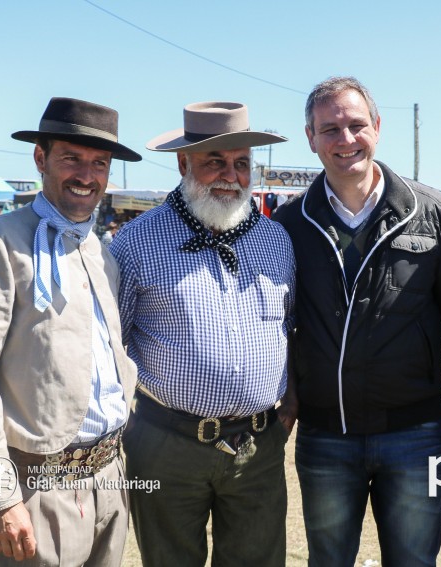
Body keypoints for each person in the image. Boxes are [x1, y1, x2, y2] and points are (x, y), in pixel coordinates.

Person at [272, 76, 441, 567]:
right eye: (330, 129)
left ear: (378, 127)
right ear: (310, 137)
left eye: (356, 125)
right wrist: (288, 393)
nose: (345, 139)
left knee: (415, 560)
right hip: (324, 435)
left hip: (417, 433)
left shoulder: (433, 213)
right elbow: (276, 323)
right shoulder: (288, 225)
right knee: (328, 560)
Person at [0, 97, 142, 565]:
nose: (86, 175)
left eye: (99, 163)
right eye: (72, 158)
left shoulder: (102, 253)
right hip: (32, 490)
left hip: (108, 479)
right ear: (40, 158)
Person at [109, 101, 294, 567]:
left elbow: (291, 328)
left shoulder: (276, 240)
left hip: (258, 447)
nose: (231, 175)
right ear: (183, 163)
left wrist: (288, 406)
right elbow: (110, 347)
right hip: (165, 444)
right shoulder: (135, 241)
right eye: (215, 161)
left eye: (242, 163)